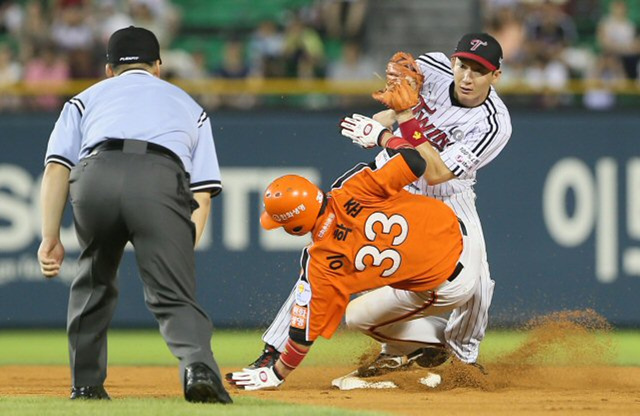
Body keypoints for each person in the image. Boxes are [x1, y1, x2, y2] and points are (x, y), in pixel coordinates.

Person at [250, 32, 512, 375]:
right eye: (462, 65)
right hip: (390, 180)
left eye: (479, 70)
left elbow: (436, 172)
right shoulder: (431, 66)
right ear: (452, 61)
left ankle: (462, 359)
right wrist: (378, 126)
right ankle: (275, 349)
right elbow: (394, 110)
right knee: (326, 249)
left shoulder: (493, 124)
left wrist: (397, 124)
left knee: (476, 283)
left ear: (496, 76)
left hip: (447, 194)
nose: (467, 76)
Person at [37, 26, 232, 404]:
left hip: (95, 176)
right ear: (158, 66)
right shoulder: (189, 105)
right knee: (172, 294)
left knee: (93, 280)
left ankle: (85, 384)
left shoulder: (84, 98)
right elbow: (202, 195)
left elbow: (57, 168)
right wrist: (179, 248)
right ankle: (197, 366)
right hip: (159, 178)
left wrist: (50, 237)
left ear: (109, 69)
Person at [227, 126, 481, 390]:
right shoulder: (353, 189)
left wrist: (278, 373)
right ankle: (419, 347)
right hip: (467, 234)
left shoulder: (322, 263)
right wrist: (384, 136)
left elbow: (304, 333)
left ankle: (446, 342)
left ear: (295, 227)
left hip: (449, 284)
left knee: (358, 316)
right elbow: (416, 161)